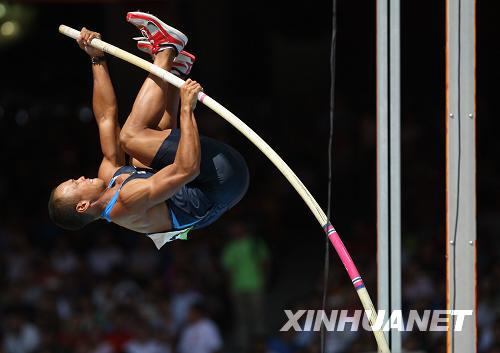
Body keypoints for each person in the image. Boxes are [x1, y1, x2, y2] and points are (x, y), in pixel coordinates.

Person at [48, 12, 249, 248]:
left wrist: (97, 59)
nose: (80, 177)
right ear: (82, 206)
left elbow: (106, 118)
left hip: (200, 186)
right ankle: (167, 49)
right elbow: (187, 168)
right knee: (132, 137)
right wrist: (187, 109)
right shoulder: (126, 203)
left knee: (141, 155)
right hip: (223, 180)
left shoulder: (108, 176)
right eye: (75, 183)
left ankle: (175, 71)